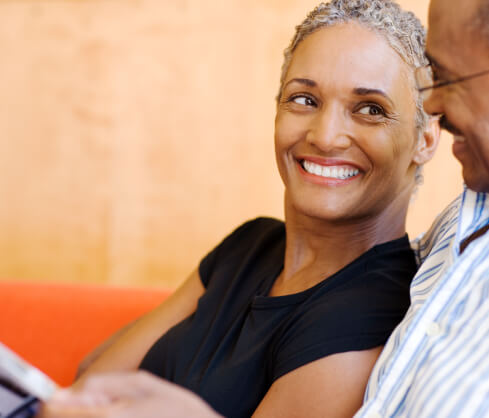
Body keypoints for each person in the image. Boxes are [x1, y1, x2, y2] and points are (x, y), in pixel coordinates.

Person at [39, 1, 439, 417]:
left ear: (426, 138)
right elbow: (90, 384)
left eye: (370, 109)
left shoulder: (374, 313)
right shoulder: (252, 245)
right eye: (304, 99)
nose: (325, 136)